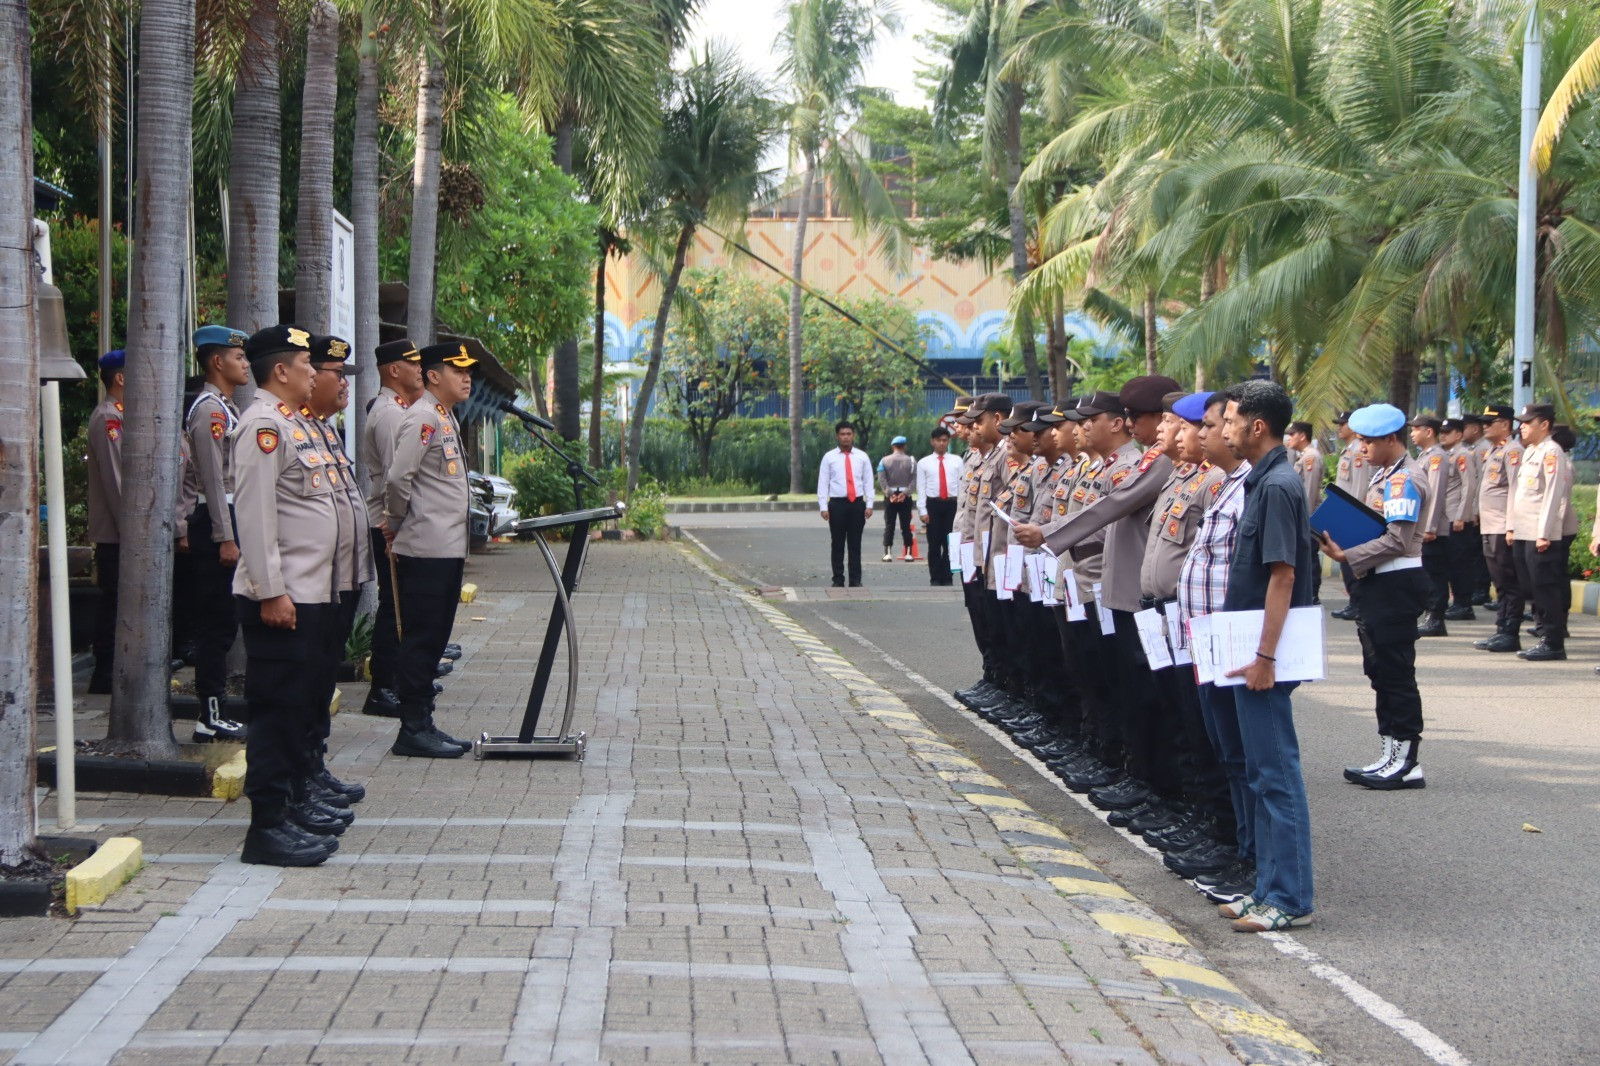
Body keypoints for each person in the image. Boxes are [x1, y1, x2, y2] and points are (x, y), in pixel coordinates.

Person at [1011, 377, 1180, 821]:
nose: (1137, 423)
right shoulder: (1151, 462)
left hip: (1134, 596)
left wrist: (1047, 534)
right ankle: (1135, 772)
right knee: (1119, 684)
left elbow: (1110, 508)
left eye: (1142, 417)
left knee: (1143, 693)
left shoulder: (1156, 463)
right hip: (1117, 590)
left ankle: (1154, 783)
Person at [232, 324, 348, 867]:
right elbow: (255, 518)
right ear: (280, 371)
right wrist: (270, 592)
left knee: (297, 706)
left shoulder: (293, 423)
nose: (314, 372)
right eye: (306, 365)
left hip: (310, 593)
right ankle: (266, 828)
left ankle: (288, 810)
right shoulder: (264, 427)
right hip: (283, 598)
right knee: (277, 713)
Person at [1215, 379, 1316, 932]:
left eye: (1231, 420)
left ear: (1257, 426)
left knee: (1277, 774)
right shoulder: (1262, 479)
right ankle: (1265, 888)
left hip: (1263, 654)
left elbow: (1283, 576)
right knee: (1259, 772)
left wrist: (1265, 657)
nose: (1224, 428)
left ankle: (1290, 898)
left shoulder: (1277, 485)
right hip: (1250, 647)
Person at [1317, 402, 1431, 791]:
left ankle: (1406, 761)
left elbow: (1397, 540)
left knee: (1396, 673)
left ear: (1390, 439)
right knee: (1379, 671)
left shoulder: (1404, 480)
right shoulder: (1385, 474)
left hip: (1395, 584)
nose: (1361, 448)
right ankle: (1389, 753)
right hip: (1378, 581)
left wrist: (1346, 555)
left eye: (1367, 441)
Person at [1175, 390, 1257, 905]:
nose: (1209, 433)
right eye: (1208, 425)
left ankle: (1247, 855)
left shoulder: (1254, 487)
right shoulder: (1227, 483)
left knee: (1244, 758)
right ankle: (1235, 846)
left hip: (1231, 638)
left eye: (1217, 424)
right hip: (1205, 636)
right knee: (1225, 751)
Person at [384, 342, 479, 756]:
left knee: (435, 638)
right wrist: (397, 523)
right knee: (421, 641)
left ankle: (425, 723)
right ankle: (412, 728)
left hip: (446, 547)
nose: (467, 377)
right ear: (433, 376)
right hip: (425, 547)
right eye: (458, 370)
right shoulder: (423, 416)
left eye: (469, 371)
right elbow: (397, 479)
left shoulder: (443, 416)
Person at [301, 334, 370, 805]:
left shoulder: (324, 430)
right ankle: (302, 776)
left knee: (322, 678)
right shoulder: (285, 429)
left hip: (340, 577)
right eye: (335, 374)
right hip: (314, 582)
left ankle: (314, 765)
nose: (344, 383)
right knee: (306, 682)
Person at [183, 325, 252, 742]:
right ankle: (209, 715)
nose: (245, 364)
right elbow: (211, 479)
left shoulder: (226, 407)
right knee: (215, 625)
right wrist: (225, 536)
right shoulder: (209, 410)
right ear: (216, 361)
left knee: (225, 623)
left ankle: (215, 711)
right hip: (215, 519)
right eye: (238, 357)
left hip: (227, 516)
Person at [360, 338, 424, 716]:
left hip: (398, 523)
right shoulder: (388, 414)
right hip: (389, 524)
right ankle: (383, 687)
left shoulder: (399, 409)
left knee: (405, 604)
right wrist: (394, 528)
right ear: (394, 370)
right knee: (394, 606)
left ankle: (399, 679)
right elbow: (393, 477)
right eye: (413, 364)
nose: (420, 369)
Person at [951, 394, 1012, 707]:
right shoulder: (977, 457)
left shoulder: (1004, 456)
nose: (968, 428)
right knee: (980, 613)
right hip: (972, 547)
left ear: (997, 419)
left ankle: (1003, 680)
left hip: (994, 553)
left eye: (976, 421)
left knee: (997, 620)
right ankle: (993, 674)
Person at [1506, 404, 1571, 661]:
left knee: (1545, 588)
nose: (1522, 427)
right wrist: (1512, 527)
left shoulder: (1552, 451)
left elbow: (1553, 494)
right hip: (1524, 531)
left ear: (1544, 424)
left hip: (1540, 534)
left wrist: (1544, 533)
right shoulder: (1531, 451)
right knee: (1531, 587)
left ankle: (1553, 642)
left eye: (1527, 422)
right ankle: (1546, 636)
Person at [86, 349, 126, 694]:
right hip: (117, 533)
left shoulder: (124, 416)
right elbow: (116, 481)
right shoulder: (109, 418)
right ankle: (105, 673)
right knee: (114, 603)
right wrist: (133, 530)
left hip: (122, 531)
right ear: (121, 378)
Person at [1473, 404, 1524, 652]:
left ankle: (1511, 632)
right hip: (1490, 525)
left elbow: (1515, 489)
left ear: (1505, 424)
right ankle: (1501, 628)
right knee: (1500, 582)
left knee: (1509, 582)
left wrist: (1511, 526)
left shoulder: (1513, 451)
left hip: (1503, 526)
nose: (1484, 426)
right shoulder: (1494, 450)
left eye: (1489, 422)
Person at [1410, 415, 1456, 636]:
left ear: (1429, 432)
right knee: (1427, 572)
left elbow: (1435, 493)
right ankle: (1430, 614)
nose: (1412, 433)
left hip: (1433, 528)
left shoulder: (1437, 457)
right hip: (1423, 524)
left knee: (1435, 574)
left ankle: (1436, 618)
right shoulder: (1424, 456)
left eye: (1416, 429)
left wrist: (1430, 527)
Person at [817, 421, 875, 588]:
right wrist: (823, 506)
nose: (846, 437)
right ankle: (838, 578)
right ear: (837, 436)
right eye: (842, 434)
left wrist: (869, 504)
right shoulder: (829, 457)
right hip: (837, 504)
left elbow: (868, 481)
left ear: (853, 435)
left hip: (857, 503)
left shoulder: (862, 457)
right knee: (837, 543)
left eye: (849, 434)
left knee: (855, 543)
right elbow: (823, 482)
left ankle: (855, 579)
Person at [1439, 418, 1479, 621]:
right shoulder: (1446, 455)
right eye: (1441, 432)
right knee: (1449, 563)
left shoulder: (1463, 455)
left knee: (1460, 563)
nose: (1443, 435)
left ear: (1459, 435)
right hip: (1446, 516)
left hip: (1457, 517)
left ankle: (1464, 604)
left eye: (1448, 432)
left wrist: (1462, 515)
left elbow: (1469, 486)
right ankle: (1457, 602)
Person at [917, 426, 964, 585]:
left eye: (944, 440)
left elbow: (962, 485)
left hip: (952, 504)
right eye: (938, 440)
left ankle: (947, 576)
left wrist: (962, 508)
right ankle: (935, 577)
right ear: (932, 441)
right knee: (934, 543)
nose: (942, 443)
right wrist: (922, 510)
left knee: (950, 542)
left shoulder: (957, 461)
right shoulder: (924, 463)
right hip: (933, 504)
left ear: (948, 441)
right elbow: (921, 487)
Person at [1462, 413, 1496, 605]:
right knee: (1475, 552)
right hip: (1479, 507)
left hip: (1482, 509)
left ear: (1474, 429)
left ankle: (1481, 589)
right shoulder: (1476, 449)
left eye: (1464, 427)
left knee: (1479, 553)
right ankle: (1478, 587)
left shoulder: (1483, 449)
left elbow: (1478, 483)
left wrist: (1475, 510)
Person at [877, 435, 917, 562]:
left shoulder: (884, 461)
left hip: (890, 497)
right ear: (905, 446)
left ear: (893, 446)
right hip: (905, 496)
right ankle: (909, 553)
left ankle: (887, 553)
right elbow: (914, 480)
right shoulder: (911, 461)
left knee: (889, 524)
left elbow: (882, 480)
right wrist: (905, 493)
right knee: (906, 525)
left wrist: (890, 493)